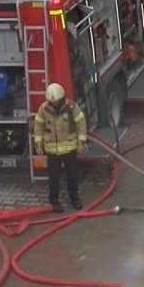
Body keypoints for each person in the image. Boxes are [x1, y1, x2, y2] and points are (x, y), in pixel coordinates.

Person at [32, 83, 87, 213]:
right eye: (51, 101)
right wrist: (38, 145)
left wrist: (81, 143)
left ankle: (74, 198)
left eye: (55, 101)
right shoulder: (44, 108)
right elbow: (38, 127)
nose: (54, 104)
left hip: (69, 149)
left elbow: (81, 123)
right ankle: (54, 201)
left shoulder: (72, 107)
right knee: (53, 178)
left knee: (72, 175)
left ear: (62, 98)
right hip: (52, 151)